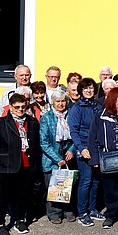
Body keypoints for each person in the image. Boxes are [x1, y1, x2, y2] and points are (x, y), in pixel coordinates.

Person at [0, 93, 41, 235]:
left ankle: (20, 219)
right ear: (10, 107)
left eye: (23, 106)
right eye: (17, 107)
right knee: (4, 196)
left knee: (23, 194)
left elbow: (36, 143)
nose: (20, 109)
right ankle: (0, 224)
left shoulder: (32, 121)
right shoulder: (2, 122)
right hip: (8, 164)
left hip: (27, 164)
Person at [88, 87, 118, 229]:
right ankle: (111, 215)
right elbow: (92, 138)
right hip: (109, 158)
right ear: (112, 99)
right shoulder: (100, 116)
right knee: (110, 190)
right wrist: (94, 159)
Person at [68, 77, 104, 226]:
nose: (88, 90)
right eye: (85, 88)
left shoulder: (97, 105)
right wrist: (81, 148)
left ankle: (92, 209)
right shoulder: (77, 108)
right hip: (83, 147)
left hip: (97, 147)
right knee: (86, 180)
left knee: (95, 180)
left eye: (91, 88)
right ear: (81, 91)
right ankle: (82, 212)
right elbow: (73, 131)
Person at [39, 90, 76, 224]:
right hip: (51, 158)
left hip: (68, 156)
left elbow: (76, 135)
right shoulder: (46, 118)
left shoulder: (72, 115)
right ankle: (54, 212)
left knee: (68, 185)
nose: (60, 104)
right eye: (57, 101)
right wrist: (57, 159)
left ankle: (68, 210)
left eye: (63, 101)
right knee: (53, 186)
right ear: (53, 103)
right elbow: (44, 142)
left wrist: (71, 150)